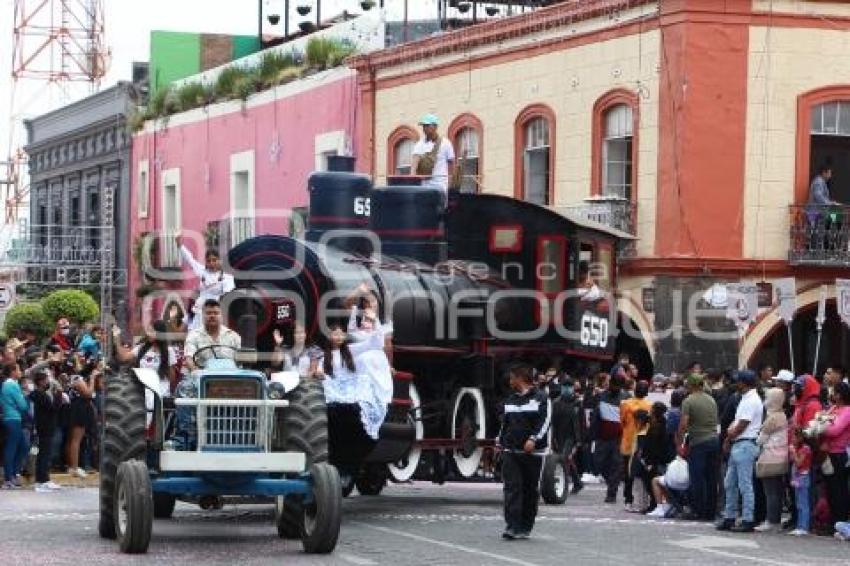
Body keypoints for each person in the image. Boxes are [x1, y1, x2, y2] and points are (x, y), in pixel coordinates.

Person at [498, 363, 550, 540]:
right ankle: (512, 525)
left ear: (520, 378)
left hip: (532, 454)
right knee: (512, 488)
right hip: (511, 452)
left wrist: (533, 439)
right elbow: (505, 423)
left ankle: (525, 526)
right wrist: (500, 441)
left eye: (512, 378)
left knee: (529, 490)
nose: (510, 381)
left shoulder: (541, 398)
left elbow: (545, 422)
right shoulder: (510, 400)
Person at [717, 369, 764, 533]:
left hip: (745, 443)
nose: (736, 383)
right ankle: (730, 516)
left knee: (744, 484)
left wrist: (729, 436)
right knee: (730, 483)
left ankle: (747, 519)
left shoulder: (751, 400)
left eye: (738, 381)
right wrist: (730, 438)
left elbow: (742, 424)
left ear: (744, 383)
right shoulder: (746, 398)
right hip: (740, 443)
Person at [679, 373, 720, 521]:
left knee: (697, 478)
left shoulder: (688, 401)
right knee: (711, 478)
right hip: (714, 441)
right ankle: (711, 511)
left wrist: (680, 443)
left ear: (691, 385)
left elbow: (683, 424)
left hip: (699, 442)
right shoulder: (711, 400)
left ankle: (698, 510)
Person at [175, 231, 235, 331]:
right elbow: (190, 260)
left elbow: (227, 295)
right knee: (193, 330)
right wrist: (180, 245)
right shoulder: (202, 271)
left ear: (220, 260)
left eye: (214, 260)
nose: (211, 263)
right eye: (209, 260)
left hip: (216, 310)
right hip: (200, 308)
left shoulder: (227, 277)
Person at [591, 372, 630, 503]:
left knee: (616, 464)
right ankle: (612, 482)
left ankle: (612, 492)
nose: (617, 388)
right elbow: (594, 417)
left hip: (619, 438)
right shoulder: (600, 397)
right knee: (598, 464)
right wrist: (592, 434)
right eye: (615, 385)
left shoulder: (626, 398)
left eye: (619, 386)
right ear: (611, 384)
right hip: (602, 436)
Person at [754, 387, 789, 533]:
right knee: (777, 491)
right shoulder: (782, 415)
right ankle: (775, 519)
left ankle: (771, 520)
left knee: (770, 492)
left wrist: (758, 436)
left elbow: (760, 440)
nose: (765, 400)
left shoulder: (772, 417)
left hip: (770, 457)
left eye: (768, 397)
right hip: (781, 456)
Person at [819, 382, 850, 524]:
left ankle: (840, 520)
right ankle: (832, 521)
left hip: (839, 454)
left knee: (839, 490)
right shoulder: (833, 408)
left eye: (835, 392)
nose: (833, 395)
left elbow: (835, 430)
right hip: (827, 454)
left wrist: (821, 427)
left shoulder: (847, 410)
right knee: (830, 490)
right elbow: (819, 420)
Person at [620, 380, 652, 512]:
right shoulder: (649, 406)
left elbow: (622, 421)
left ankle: (628, 499)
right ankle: (644, 501)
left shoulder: (625, 404)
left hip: (628, 441)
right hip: (642, 442)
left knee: (628, 473)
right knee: (641, 473)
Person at [184, 299, 242, 370]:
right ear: (202, 315)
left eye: (216, 313)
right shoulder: (193, 335)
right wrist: (196, 372)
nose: (212, 316)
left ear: (221, 315)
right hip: (203, 378)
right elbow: (189, 359)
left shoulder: (233, 336)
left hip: (230, 377)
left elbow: (242, 361)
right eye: (208, 313)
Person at [30, 370, 64, 492]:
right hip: (45, 427)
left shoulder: (40, 394)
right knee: (44, 454)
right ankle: (42, 480)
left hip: (44, 427)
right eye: (45, 380)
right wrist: (59, 393)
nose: (47, 382)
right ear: (40, 382)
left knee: (44, 454)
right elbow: (53, 408)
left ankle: (43, 480)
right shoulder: (40, 394)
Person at [551, 376, 583, 494]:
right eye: (565, 387)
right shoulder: (556, 403)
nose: (567, 389)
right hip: (559, 435)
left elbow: (581, 422)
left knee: (564, 459)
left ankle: (563, 485)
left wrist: (580, 440)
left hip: (572, 436)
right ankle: (577, 482)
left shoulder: (577, 403)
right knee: (566, 459)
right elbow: (552, 421)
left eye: (569, 387)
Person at [64, 361, 95, 479]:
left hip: (76, 408)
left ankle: (72, 465)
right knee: (76, 439)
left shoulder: (71, 378)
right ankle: (74, 467)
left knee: (72, 439)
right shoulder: (76, 377)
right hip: (80, 408)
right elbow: (88, 393)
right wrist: (92, 379)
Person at [1, 362, 29, 488]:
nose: (20, 372)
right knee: (11, 448)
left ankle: (14, 474)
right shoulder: (12, 385)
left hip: (12, 418)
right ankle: (8, 477)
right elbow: (23, 405)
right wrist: (25, 394)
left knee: (23, 446)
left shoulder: (8, 385)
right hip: (12, 419)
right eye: (18, 370)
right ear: (12, 372)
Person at [410, 114, 455, 193]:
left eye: (427, 125)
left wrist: (450, 183)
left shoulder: (446, 143)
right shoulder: (419, 144)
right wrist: (412, 180)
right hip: (423, 187)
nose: (424, 128)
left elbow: (451, 164)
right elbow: (414, 164)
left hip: (440, 186)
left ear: (435, 126)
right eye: (423, 126)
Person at [788, 427, 813, 536]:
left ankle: (804, 527)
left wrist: (793, 452)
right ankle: (799, 525)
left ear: (800, 437)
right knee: (798, 503)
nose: (792, 439)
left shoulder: (806, 449)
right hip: (797, 477)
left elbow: (799, 463)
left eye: (794, 437)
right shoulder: (797, 448)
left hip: (803, 477)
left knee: (803, 503)